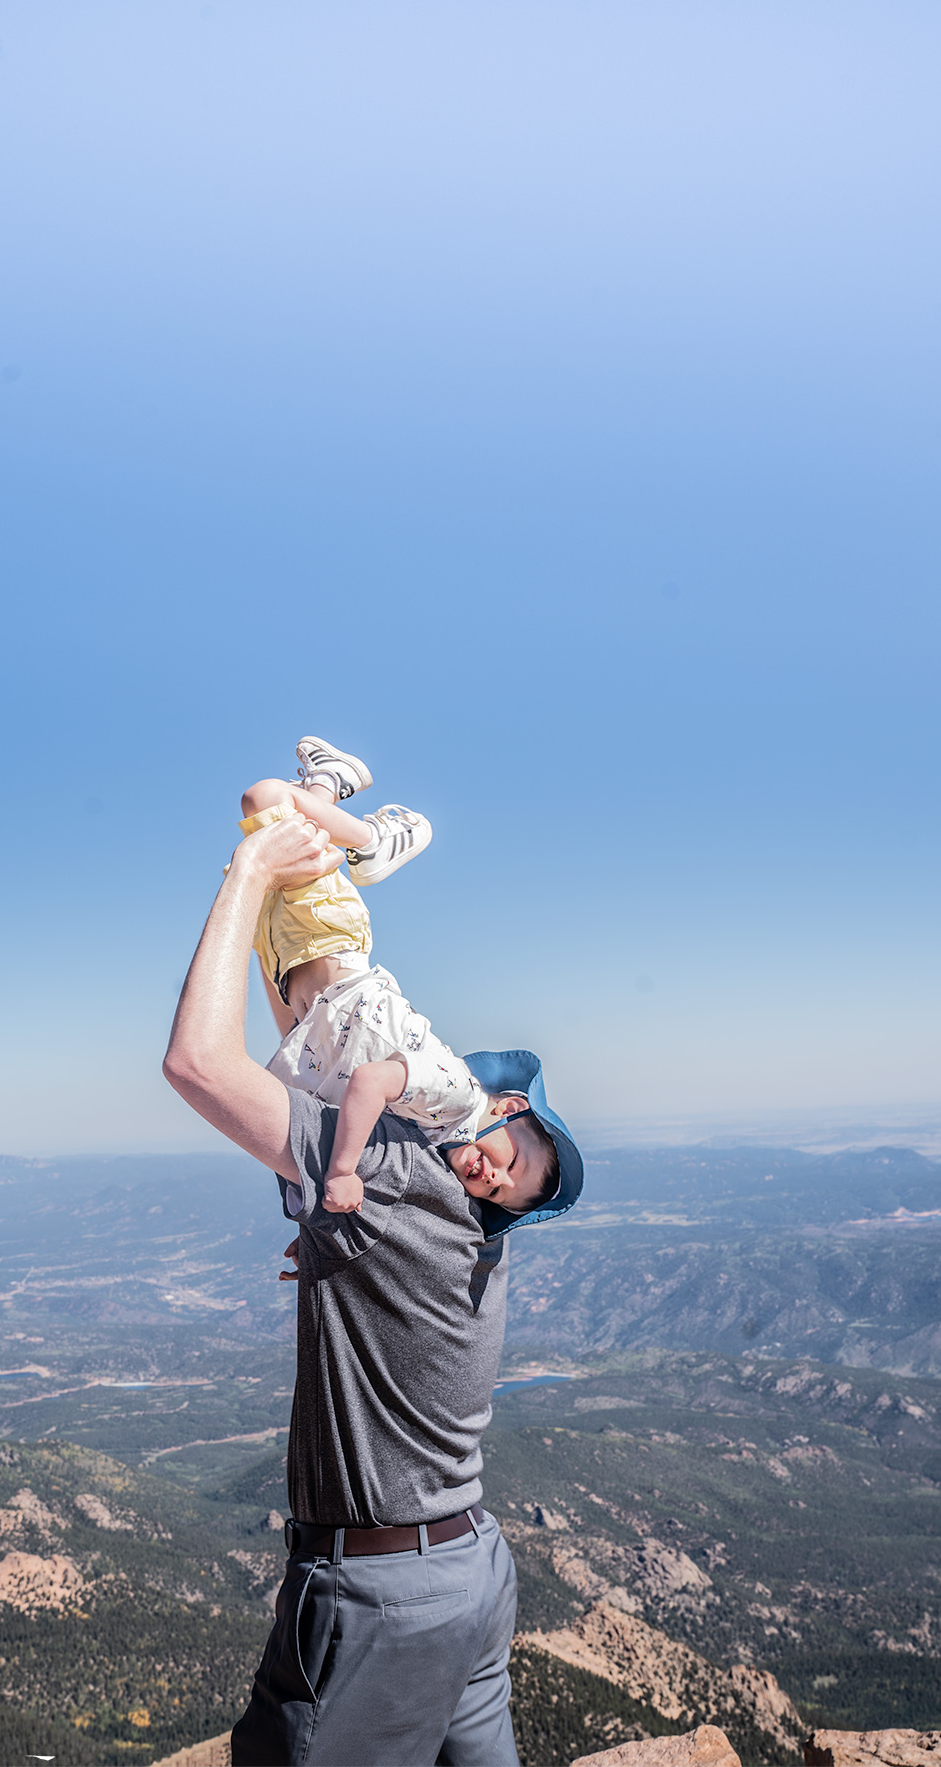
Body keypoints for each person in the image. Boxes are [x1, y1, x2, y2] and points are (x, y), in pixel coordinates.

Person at [163, 771, 584, 1767]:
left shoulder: (397, 1176)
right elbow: (318, 1052)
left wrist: (249, 875)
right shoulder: (467, 1229)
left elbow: (196, 1064)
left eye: (511, 1168)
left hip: (380, 1595)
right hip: (473, 1577)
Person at [237, 736, 560, 1217]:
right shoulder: (457, 1096)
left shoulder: (424, 1136)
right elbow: (369, 1081)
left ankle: (328, 781)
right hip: (331, 939)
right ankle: (374, 843)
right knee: (264, 800)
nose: (495, 1178)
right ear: (509, 1112)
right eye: (512, 1163)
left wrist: (312, 1231)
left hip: (292, 966)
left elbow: (310, 1061)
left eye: (495, 1192)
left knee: (287, 823)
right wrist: (342, 1172)